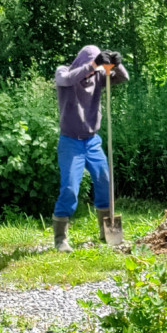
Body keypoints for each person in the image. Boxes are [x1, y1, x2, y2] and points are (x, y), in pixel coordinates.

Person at [52, 45, 129, 252]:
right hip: (70, 141)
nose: (91, 73)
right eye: (92, 63)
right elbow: (67, 79)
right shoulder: (64, 71)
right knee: (69, 188)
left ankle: (106, 231)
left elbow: (123, 79)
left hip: (92, 141)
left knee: (105, 181)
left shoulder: (97, 76)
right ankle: (61, 239)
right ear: (83, 60)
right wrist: (93, 64)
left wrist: (117, 64)